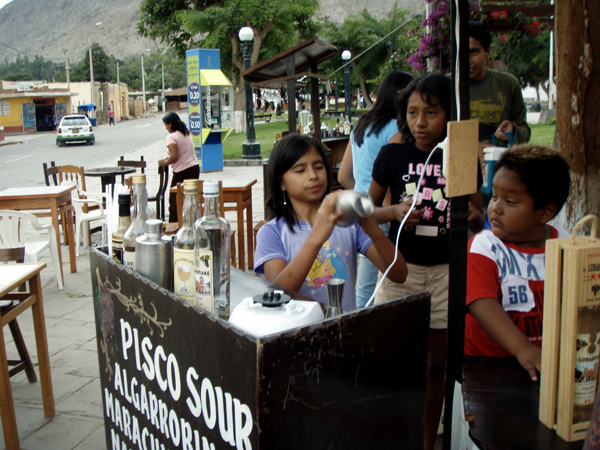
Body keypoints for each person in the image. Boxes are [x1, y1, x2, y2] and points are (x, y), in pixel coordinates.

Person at [368, 73, 485, 450]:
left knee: (437, 365)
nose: (420, 122)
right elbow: (368, 209)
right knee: (393, 359)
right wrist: (396, 211)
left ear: (449, 115)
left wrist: (470, 217)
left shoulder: (463, 155)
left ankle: (425, 439)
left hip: (447, 273)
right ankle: (388, 432)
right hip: (400, 269)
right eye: (413, 112)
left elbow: (479, 215)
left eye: (431, 112)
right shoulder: (392, 155)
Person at [254, 134, 408, 313]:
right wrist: (316, 238)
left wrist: (372, 229)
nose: (313, 175)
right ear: (281, 182)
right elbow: (277, 294)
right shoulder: (271, 232)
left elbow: (399, 275)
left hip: (343, 332)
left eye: (318, 167)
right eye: (300, 170)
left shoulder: (347, 223)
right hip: (294, 334)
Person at [464, 144, 570, 381]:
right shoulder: (485, 246)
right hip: (486, 365)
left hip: (546, 361)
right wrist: (523, 349)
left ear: (545, 212)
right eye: (494, 196)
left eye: (510, 201)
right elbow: (482, 303)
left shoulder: (567, 247)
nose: (495, 208)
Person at [338, 70, 413, 308]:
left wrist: (364, 200)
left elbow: (343, 175)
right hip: (386, 214)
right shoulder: (397, 131)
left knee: (366, 283)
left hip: (361, 211)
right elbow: (393, 182)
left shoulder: (362, 125)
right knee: (372, 288)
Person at [469, 21, 531, 146]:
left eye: (474, 52)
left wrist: (512, 130)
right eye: (460, 52)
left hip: (498, 163)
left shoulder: (508, 84)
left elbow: (525, 133)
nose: (467, 60)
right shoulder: (445, 85)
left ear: (487, 53)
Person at [159, 112, 200, 223]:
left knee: (174, 200)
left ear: (170, 124)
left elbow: (174, 156)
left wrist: (164, 162)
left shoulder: (171, 137)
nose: (166, 128)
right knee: (190, 198)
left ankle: (175, 226)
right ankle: (191, 222)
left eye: (166, 125)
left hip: (182, 171)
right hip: (194, 168)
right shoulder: (185, 133)